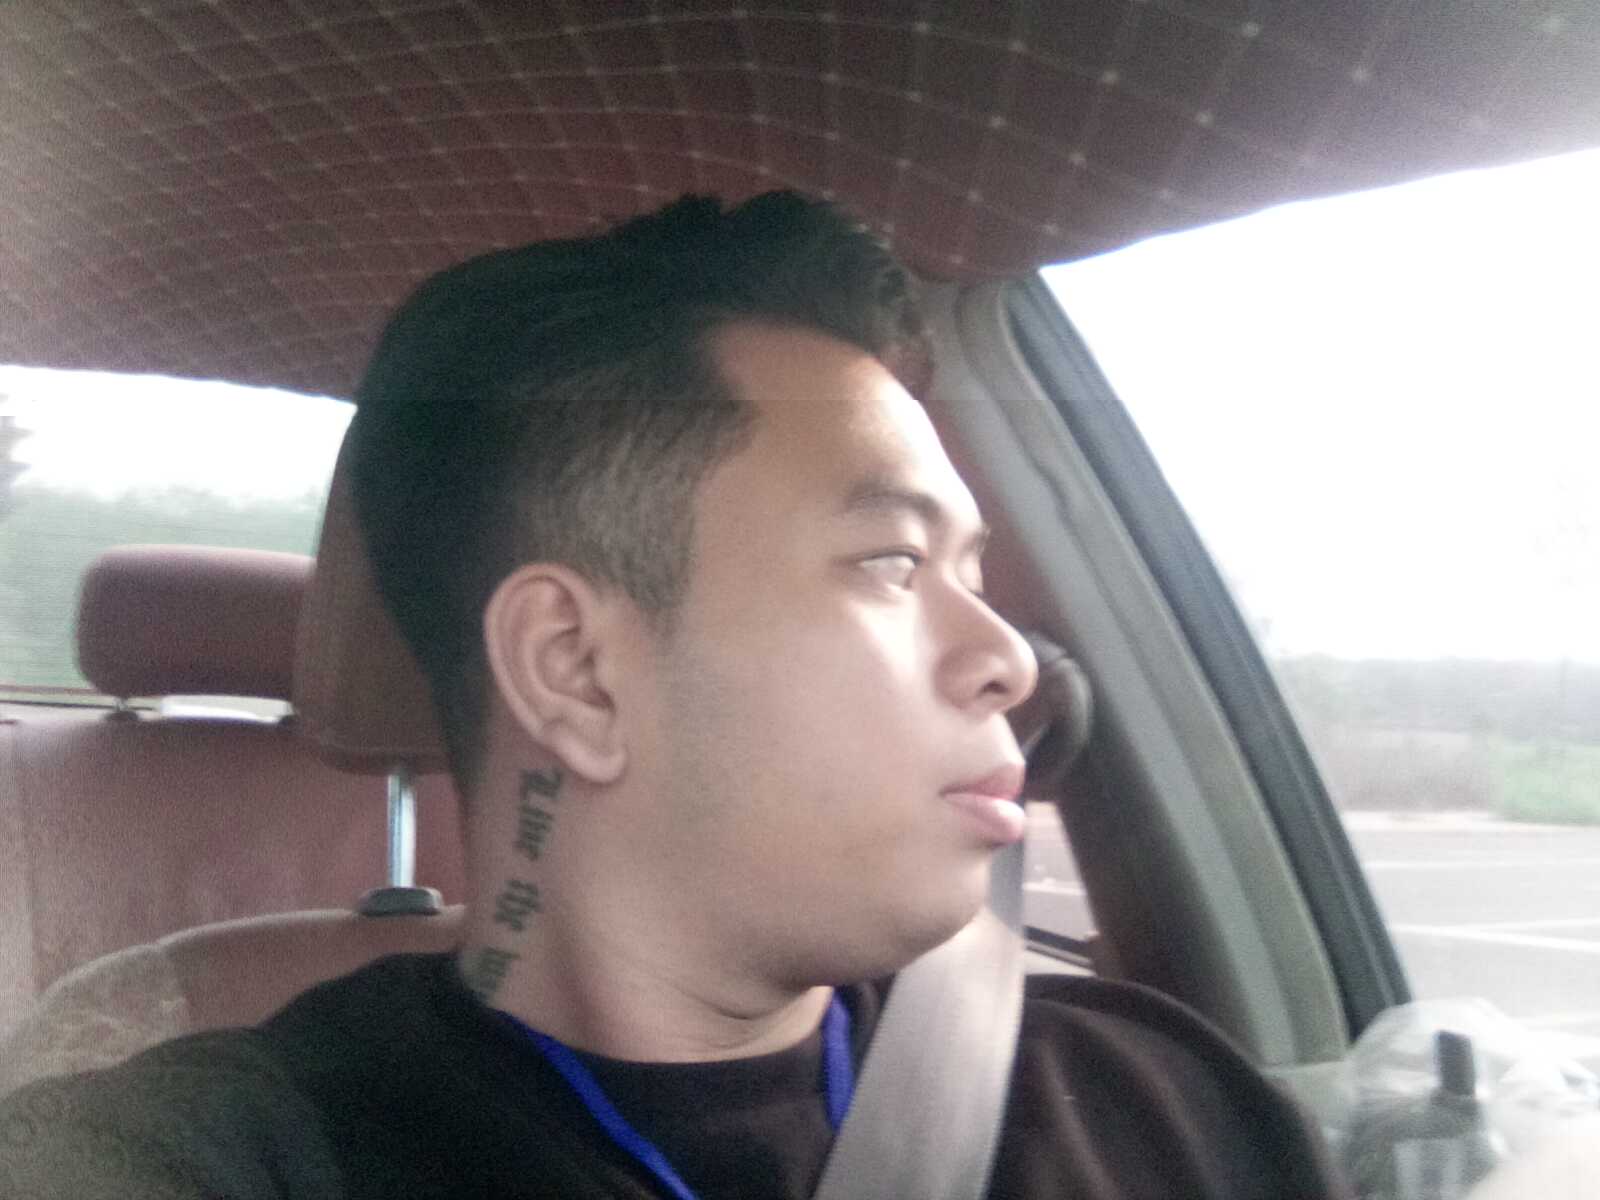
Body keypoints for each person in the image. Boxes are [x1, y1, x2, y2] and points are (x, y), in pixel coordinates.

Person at [0, 192, 1350, 1198]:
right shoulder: (207, 1159)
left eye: (973, 568)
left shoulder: (1168, 1106)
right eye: (890, 562)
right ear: (577, 671)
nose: (1008, 656)